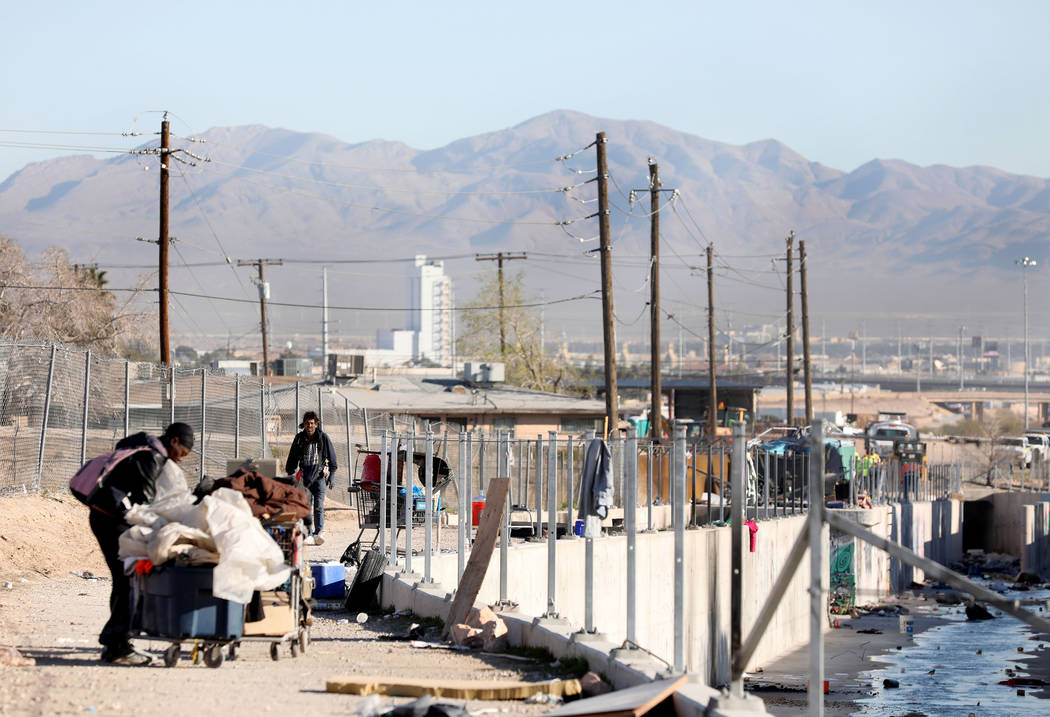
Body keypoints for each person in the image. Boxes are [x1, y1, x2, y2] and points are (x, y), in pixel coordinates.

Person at [89, 422, 194, 665]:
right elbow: (144, 505)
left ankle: (115, 640)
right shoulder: (152, 458)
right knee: (129, 577)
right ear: (175, 441)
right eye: (183, 453)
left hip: (104, 516)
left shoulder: (144, 450)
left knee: (125, 577)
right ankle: (117, 645)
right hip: (112, 520)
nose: (182, 459)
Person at [285, 411, 338, 545]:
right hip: (304, 479)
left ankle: (319, 532)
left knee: (319, 507)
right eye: (307, 423)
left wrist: (332, 475)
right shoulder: (299, 438)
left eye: (312, 423)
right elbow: (292, 456)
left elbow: (332, 458)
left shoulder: (323, 438)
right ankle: (308, 533)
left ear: (316, 424)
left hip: (319, 478)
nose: (309, 426)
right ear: (304, 424)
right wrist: (290, 471)